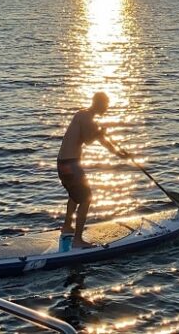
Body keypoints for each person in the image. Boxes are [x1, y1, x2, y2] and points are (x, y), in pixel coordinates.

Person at [57, 91, 129, 249]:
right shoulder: (86, 117)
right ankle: (77, 241)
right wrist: (99, 132)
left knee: (75, 196)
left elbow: (103, 141)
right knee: (86, 198)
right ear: (98, 103)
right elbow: (90, 140)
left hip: (63, 163)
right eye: (106, 104)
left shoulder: (85, 117)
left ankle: (67, 227)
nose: (107, 108)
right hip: (70, 165)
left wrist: (120, 154)